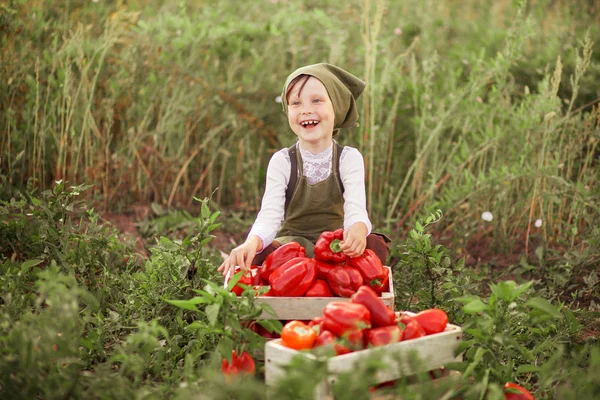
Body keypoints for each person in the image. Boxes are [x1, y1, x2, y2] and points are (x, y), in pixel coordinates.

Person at [218, 63, 389, 277]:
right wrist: (252, 241)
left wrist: (358, 229)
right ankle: (319, 273)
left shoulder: (348, 158)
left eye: (317, 100)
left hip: (336, 245)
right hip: (293, 245)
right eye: (296, 103)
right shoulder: (283, 161)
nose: (306, 109)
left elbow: (356, 208)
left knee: (375, 245)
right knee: (259, 253)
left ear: (335, 107)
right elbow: (270, 214)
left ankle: (320, 272)